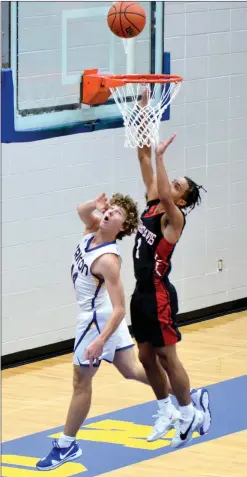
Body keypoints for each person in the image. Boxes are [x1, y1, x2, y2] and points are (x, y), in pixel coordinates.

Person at [130, 124, 212, 447]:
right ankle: (166, 410)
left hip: (159, 293)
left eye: (177, 185)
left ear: (181, 199)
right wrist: (143, 119)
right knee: (146, 357)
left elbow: (163, 190)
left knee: (167, 357)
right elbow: (141, 156)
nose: (170, 183)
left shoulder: (174, 219)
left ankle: (189, 410)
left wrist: (161, 156)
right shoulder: (153, 203)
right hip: (140, 293)